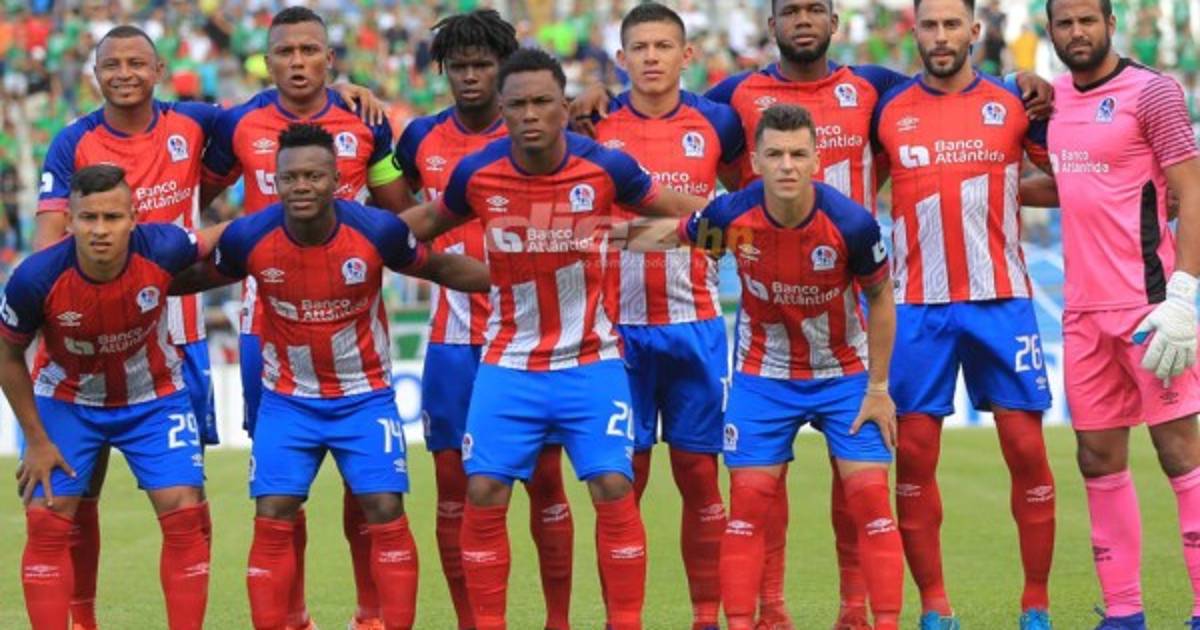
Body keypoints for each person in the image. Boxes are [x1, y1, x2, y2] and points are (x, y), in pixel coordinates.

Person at [570, 3, 1053, 625]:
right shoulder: (733, 104)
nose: (803, 19)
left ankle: (858, 611)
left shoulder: (876, 91)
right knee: (755, 489)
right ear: (771, 25)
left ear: (834, 21)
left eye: (814, 9)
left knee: (861, 484)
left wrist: (1020, 82)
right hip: (766, 324)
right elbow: (667, 114)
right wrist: (603, 103)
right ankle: (769, 611)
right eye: (790, 10)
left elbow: (948, 86)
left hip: (856, 321)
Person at [28, 23, 383, 629]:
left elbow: (277, 109)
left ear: (159, 69)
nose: (124, 74)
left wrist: (338, 91)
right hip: (91, 335)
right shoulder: (73, 142)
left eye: (136, 62)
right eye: (111, 64)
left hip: (178, 335)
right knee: (76, 491)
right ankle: (80, 617)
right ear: (94, 73)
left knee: (187, 497)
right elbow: (46, 247)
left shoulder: (198, 123)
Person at [400, 47, 708, 629]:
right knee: (484, 491)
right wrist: (364, 241)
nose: (530, 114)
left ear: (564, 109)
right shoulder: (478, 174)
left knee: (613, 485)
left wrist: (745, 227)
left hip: (591, 361)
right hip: (508, 364)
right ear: (503, 110)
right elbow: (427, 223)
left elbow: (675, 212)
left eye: (542, 102)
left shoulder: (606, 169)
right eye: (517, 105)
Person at [181, 123, 491, 630]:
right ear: (275, 182)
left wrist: (510, 279)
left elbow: (438, 268)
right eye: (290, 178)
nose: (301, 186)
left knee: (384, 506)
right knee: (273, 511)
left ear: (336, 180)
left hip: (364, 398)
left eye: (314, 176)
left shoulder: (376, 231)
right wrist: (132, 282)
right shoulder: (249, 236)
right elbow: (194, 276)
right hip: (287, 400)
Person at [616, 103, 905, 630]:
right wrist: (598, 237)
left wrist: (879, 388)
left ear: (816, 159)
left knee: (870, 502)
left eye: (797, 154)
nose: (787, 165)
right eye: (775, 154)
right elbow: (677, 235)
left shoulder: (852, 225)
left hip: (844, 375)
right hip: (763, 377)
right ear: (755, 161)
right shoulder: (733, 218)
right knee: (748, 508)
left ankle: (881, 622)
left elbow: (882, 299)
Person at [199, 7, 404, 627]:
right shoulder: (239, 123)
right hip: (267, 320)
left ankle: (371, 613)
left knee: (367, 485)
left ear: (329, 59)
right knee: (280, 488)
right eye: (284, 52)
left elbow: (399, 208)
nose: (297, 62)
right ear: (267, 62)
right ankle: (292, 617)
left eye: (309, 50)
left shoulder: (365, 121)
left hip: (351, 317)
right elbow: (193, 191)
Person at [872, 0, 1059, 627]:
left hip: (1001, 301)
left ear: (974, 30)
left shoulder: (1013, 103)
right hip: (916, 307)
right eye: (930, 24)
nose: (941, 35)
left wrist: (1004, 184)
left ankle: (1035, 603)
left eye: (953, 24)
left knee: (1027, 450)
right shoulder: (888, 110)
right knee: (914, 455)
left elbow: (1069, 176)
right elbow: (855, 187)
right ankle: (935, 606)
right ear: (915, 32)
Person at [390, 12, 574, 629]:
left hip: (533, 338)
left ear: (505, 68)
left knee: (545, 484)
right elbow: (392, 200)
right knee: (453, 490)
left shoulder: (537, 131)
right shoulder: (420, 138)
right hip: (453, 341)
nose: (470, 77)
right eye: (458, 66)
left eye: (482, 65)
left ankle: (557, 620)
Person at [1, 164, 224, 630]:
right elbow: (7, 354)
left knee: (184, 510)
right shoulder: (34, 278)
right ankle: (82, 623)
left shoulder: (163, 246)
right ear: (69, 221)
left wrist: (281, 222)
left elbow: (222, 239)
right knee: (47, 519)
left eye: (112, 217)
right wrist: (36, 440)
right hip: (67, 401)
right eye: (89, 218)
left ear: (134, 218)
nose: (100, 229)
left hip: (154, 398)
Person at [1042, 0, 1200, 626]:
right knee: (1097, 460)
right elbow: (1069, 183)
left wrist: (1184, 294)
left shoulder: (1151, 93)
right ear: (1050, 31)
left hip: (1148, 306)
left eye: (1087, 20)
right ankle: (1124, 614)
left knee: (1179, 453)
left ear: (1110, 25)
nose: (1076, 32)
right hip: (1083, 312)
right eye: (1064, 22)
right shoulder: (1052, 99)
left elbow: (1191, 189)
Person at [589, 4, 743, 628]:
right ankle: (623, 619)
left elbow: (740, 216)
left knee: (701, 479)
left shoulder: (717, 124)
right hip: (614, 334)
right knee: (621, 484)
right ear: (620, 58)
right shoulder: (594, 125)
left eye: (663, 46)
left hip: (694, 326)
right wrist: (684, 230)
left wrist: (696, 234)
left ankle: (706, 616)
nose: (652, 57)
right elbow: (586, 225)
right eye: (640, 48)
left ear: (687, 55)